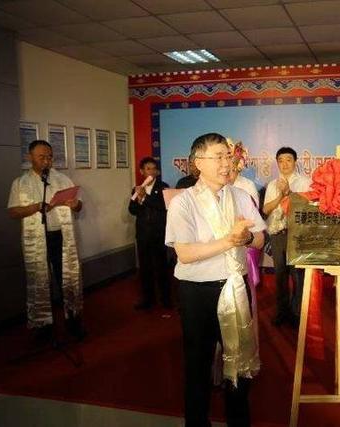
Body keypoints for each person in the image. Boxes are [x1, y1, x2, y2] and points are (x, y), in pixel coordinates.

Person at [166, 132, 266, 427]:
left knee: (240, 362)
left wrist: (246, 238)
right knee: (198, 364)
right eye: (218, 157)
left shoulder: (240, 196)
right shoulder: (183, 202)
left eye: (228, 156)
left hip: (235, 287)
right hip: (198, 292)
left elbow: (259, 239)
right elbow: (185, 254)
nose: (226, 163)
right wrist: (229, 241)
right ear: (199, 162)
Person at [7, 140, 85, 340]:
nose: (46, 161)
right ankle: (43, 326)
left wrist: (75, 204)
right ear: (30, 157)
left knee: (67, 279)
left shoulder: (62, 179)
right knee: (40, 281)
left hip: (61, 236)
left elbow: (79, 207)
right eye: (41, 157)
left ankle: (73, 321)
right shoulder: (20, 183)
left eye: (49, 157)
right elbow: (13, 212)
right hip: (37, 239)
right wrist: (35, 207)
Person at [262, 147, 311, 327]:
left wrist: (289, 193)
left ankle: (297, 314)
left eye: (288, 160)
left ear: (295, 162)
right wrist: (280, 195)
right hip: (278, 235)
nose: (284, 164)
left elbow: (308, 208)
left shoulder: (305, 182)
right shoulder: (272, 185)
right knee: (280, 275)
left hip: (298, 235)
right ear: (277, 163)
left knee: (298, 275)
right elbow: (266, 210)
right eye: (281, 161)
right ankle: (282, 312)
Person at [129, 157, 171, 310]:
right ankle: (148, 299)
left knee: (161, 268)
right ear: (142, 171)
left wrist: (145, 198)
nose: (151, 172)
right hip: (143, 235)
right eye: (148, 169)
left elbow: (162, 206)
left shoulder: (164, 187)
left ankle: (166, 299)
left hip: (159, 234)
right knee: (145, 269)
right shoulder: (137, 188)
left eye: (154, 169)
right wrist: (138, 199)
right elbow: (132, 210)